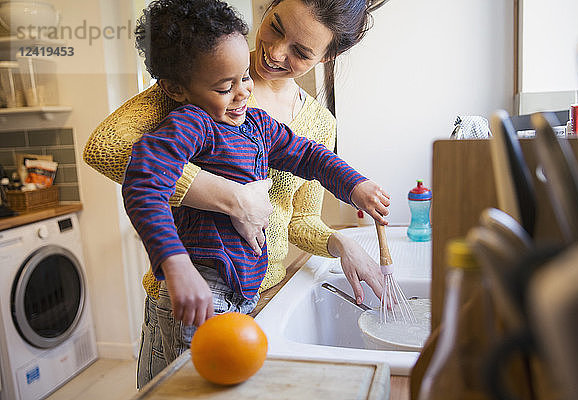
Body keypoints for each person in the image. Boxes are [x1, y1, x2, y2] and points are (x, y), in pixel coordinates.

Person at [83, 0, 387, 387]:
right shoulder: (193, 114)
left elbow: (308, 157)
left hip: (251, 289)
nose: (244, 91)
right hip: (203, 284)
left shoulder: (253, 118)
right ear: (178, 89)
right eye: (276, 27)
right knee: (189, 390)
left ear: (327, 57)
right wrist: (179, 260)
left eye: (244, 77)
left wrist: (354, 185)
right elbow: (137, 176)